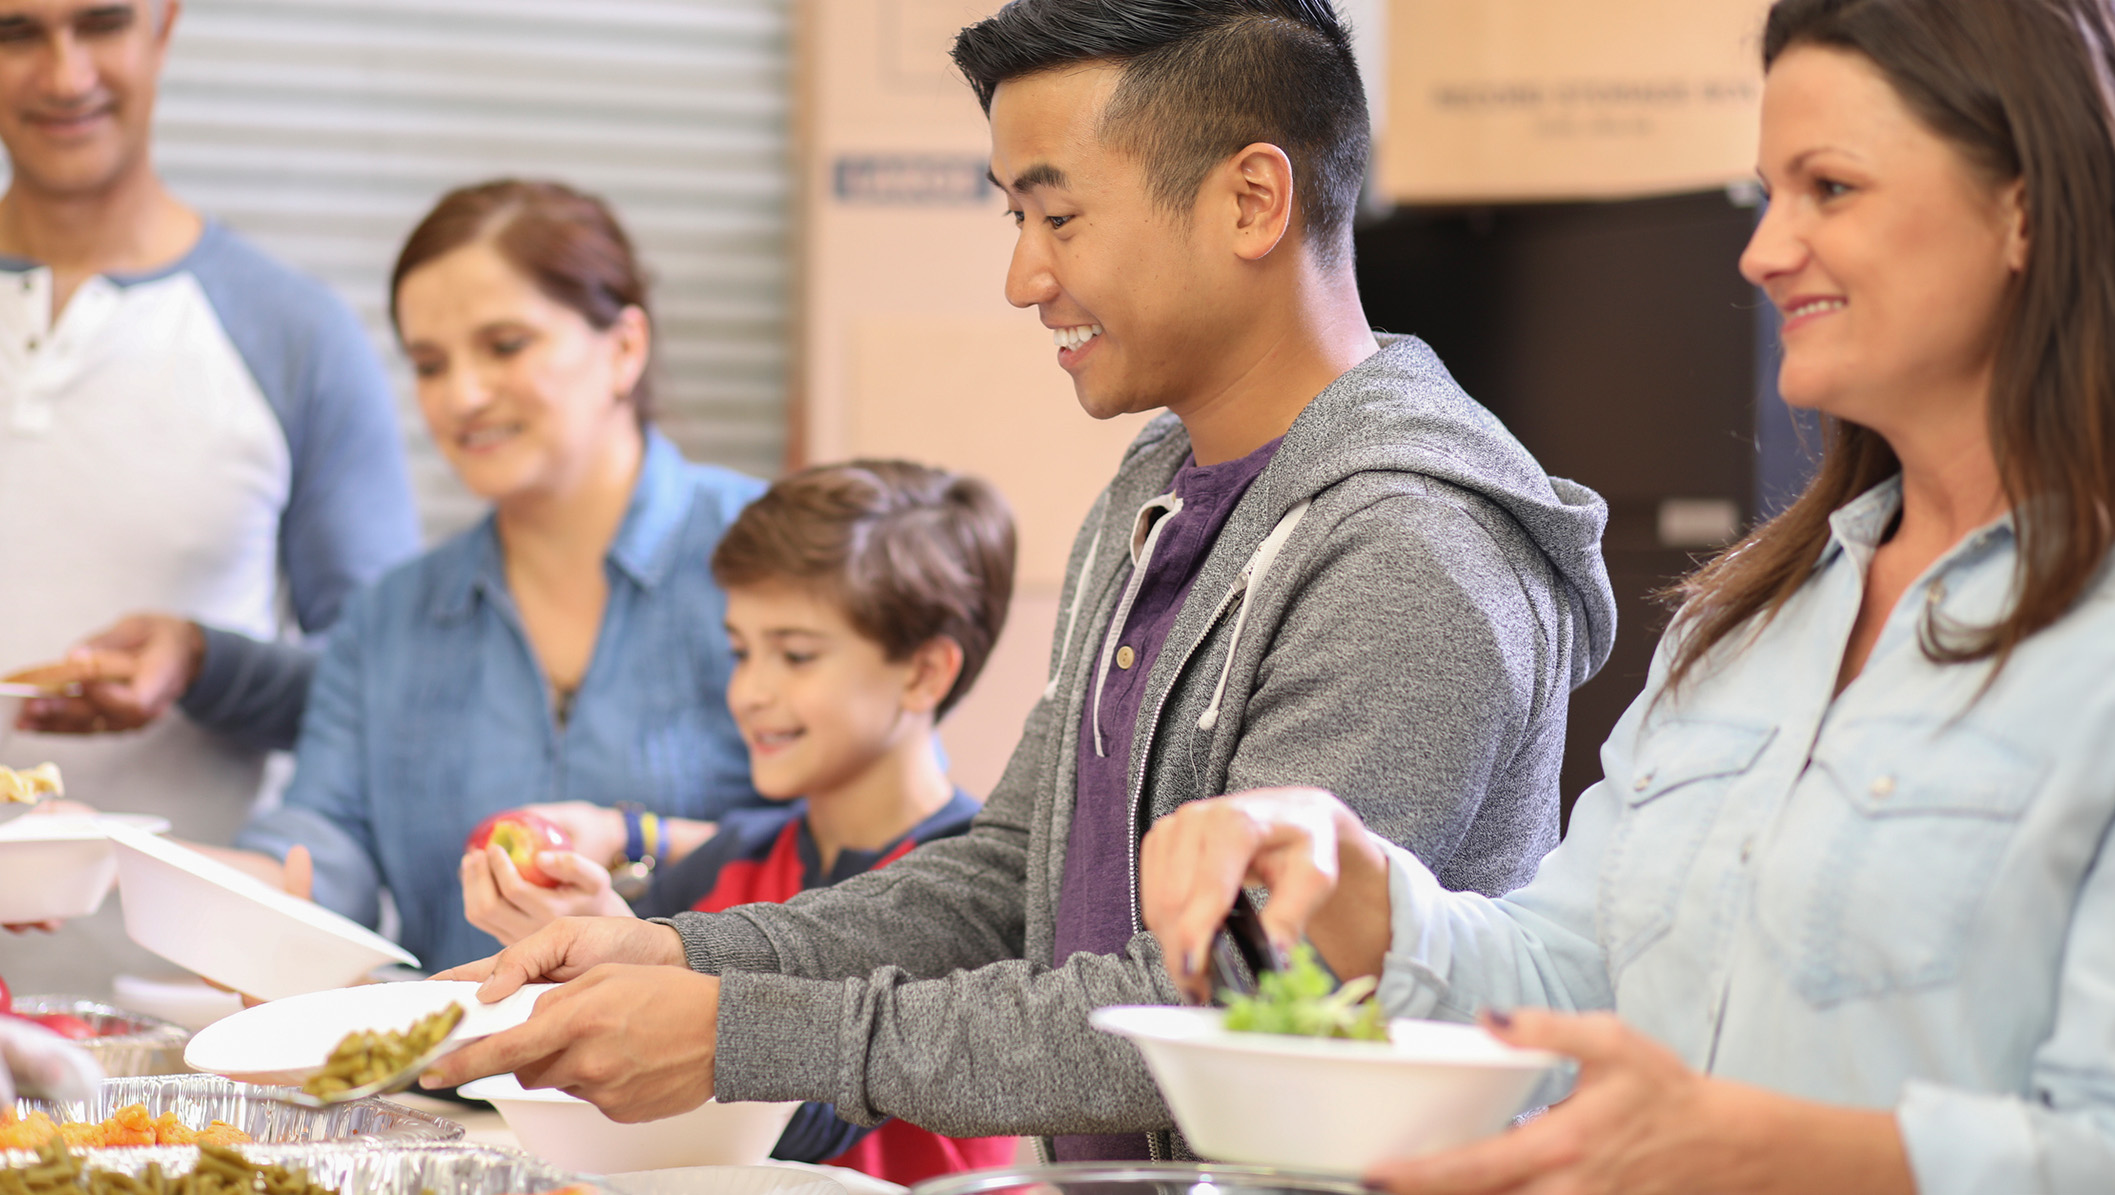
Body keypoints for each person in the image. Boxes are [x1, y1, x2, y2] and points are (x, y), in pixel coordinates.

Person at [423, 0, 1616, 1164]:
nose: (1023, 277)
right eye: (1016, 218)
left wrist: (746, 1032)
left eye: (1057, 216)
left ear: (1253, 200)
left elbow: (1220, 1007)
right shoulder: (1157, 489)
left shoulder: (1414, 548)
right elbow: (1007, 880)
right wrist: (682, 958)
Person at [1135, 0, 2115, 1191]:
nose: (1764, 249)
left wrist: (1761, 1155)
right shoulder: (1746, 623)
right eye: (1772, 191)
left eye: (1832, 188)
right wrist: (1361, 892)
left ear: (2026, 204)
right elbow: (1569, 978)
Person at [198, 179, 775, 975]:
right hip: (466, 1090)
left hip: (735, 1088)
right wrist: (115, 855)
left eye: (506, 345)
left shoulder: (780, 556)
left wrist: (634, 837)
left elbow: (879, 849)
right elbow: (320, 854)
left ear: (624, 349)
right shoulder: (389, 620)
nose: (461, 397)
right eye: (430, 364)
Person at [462, 460, 1022, 1185]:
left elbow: (815, 1106)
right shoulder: (733, 860)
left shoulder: (979, 896)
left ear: (924, 673)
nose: (751, 691)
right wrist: (590, 939)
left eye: (795, 654)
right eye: (740, 651)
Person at [0, 0, 418, 836]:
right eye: (14, 34)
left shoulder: (299, 335)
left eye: (103, 24)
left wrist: (202, 664)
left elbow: (390, 689)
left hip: (191, 963)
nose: (65, 76)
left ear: (164, 26)